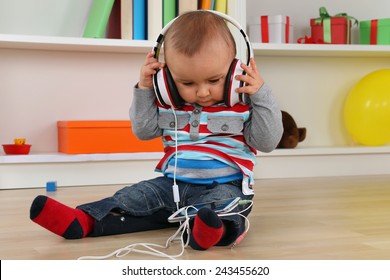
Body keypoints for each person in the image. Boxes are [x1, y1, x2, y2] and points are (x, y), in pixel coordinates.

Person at [29, 11, 283, 251]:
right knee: (134, 196)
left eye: (214, 80)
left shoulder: (242, 104)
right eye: (187, 83)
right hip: (171, 185)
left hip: (225, 185)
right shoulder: (169, 104)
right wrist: (145, 89)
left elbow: (267, 141)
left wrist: (262, 95)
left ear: (234, 72)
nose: (202, 92)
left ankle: (206, 231)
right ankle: (83, 220)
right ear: (167, 81)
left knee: (224, 207)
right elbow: (144, 131)